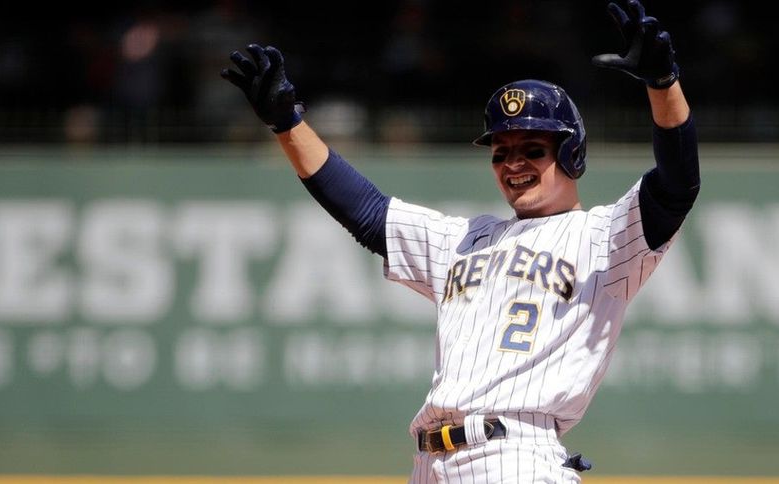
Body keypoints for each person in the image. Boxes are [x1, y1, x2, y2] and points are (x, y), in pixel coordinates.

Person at [221, 0, 699, 482]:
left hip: (514, 457)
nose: (513, 164)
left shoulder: (605, 237)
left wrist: (664, 85)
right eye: (501, 153)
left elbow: (677, 184)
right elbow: (365, 211)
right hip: (430, 464)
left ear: (572, 153)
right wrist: (288, 125)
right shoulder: (466, 239)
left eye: (533, 149)